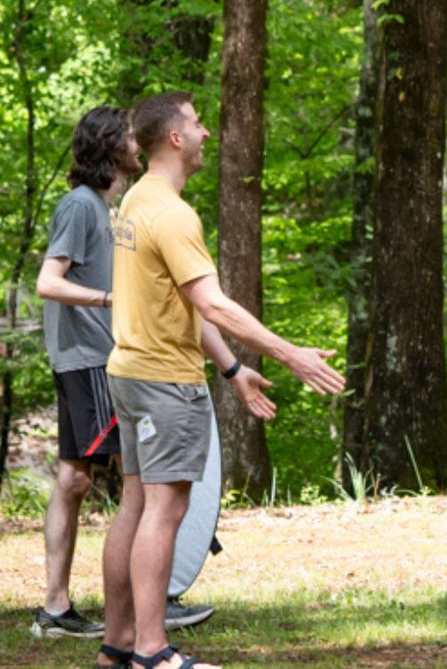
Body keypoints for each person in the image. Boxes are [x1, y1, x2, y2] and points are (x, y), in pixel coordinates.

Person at [99, 91, 345, 669]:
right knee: (164, 511)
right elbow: (213, 304)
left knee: (135, 507)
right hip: (164, 382)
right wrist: (290, 354)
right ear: (175, 138)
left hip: (129, 373)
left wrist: (233, 369)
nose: (205, 132)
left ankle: (117, 647)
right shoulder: (172, 214)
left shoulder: (137, 200)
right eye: (196, 123)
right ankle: (152, 651)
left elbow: (181, 302)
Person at [32, 107, 215, 640]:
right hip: (90, 356)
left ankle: (61, 607)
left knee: (78, 479)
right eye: (132, 138)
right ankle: (145, 604)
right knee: (145, 487)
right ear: (110, 146)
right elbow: (48, 282)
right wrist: (114, 299)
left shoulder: (112, 207)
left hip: (94, 357)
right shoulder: (81, 206)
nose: (140, 145)